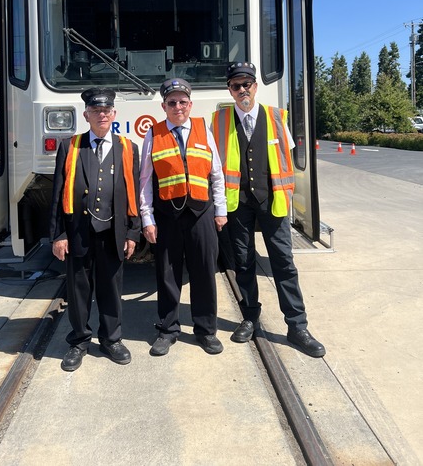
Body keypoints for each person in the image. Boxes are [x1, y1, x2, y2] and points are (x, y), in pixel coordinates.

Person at [211, 62, 325, 358]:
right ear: (230, 90)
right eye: (236, 86)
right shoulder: (218, 121)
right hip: (238, 204)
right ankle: (250, 318)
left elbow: (286, 157)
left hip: (272, 202)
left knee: (283, 263)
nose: (242, 90)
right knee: (244, 263)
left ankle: (297, 326)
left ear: (255, 87)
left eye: (246, 84)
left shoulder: (276, 117)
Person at [50, 88, 141, 371]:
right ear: (86, 114)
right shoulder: (71, 146)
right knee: (78, 291)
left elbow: (133, 193)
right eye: (96, 111)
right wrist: (58, 235)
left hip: (113, 231)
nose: (102, 114)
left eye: (107, 110)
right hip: (78, 231)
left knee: (111, 289)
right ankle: (79, 341)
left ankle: (111, 339)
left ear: (114, 114)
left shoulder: (128, 148)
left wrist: (132, 232)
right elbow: (57, 193)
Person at [140, 78, 228, 356]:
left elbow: (216, 173)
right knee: (167, 274)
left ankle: (205, 330)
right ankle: (167, 329)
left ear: (190, 105)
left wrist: (221, 210)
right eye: (171, 102)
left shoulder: (204, 130)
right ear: (163, 106)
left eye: (182, 102)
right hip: (167, 215)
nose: (178, 106)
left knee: (204, 272)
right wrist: (147, 218)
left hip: (201, 213)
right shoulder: (153, 134)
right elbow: (144, 180)